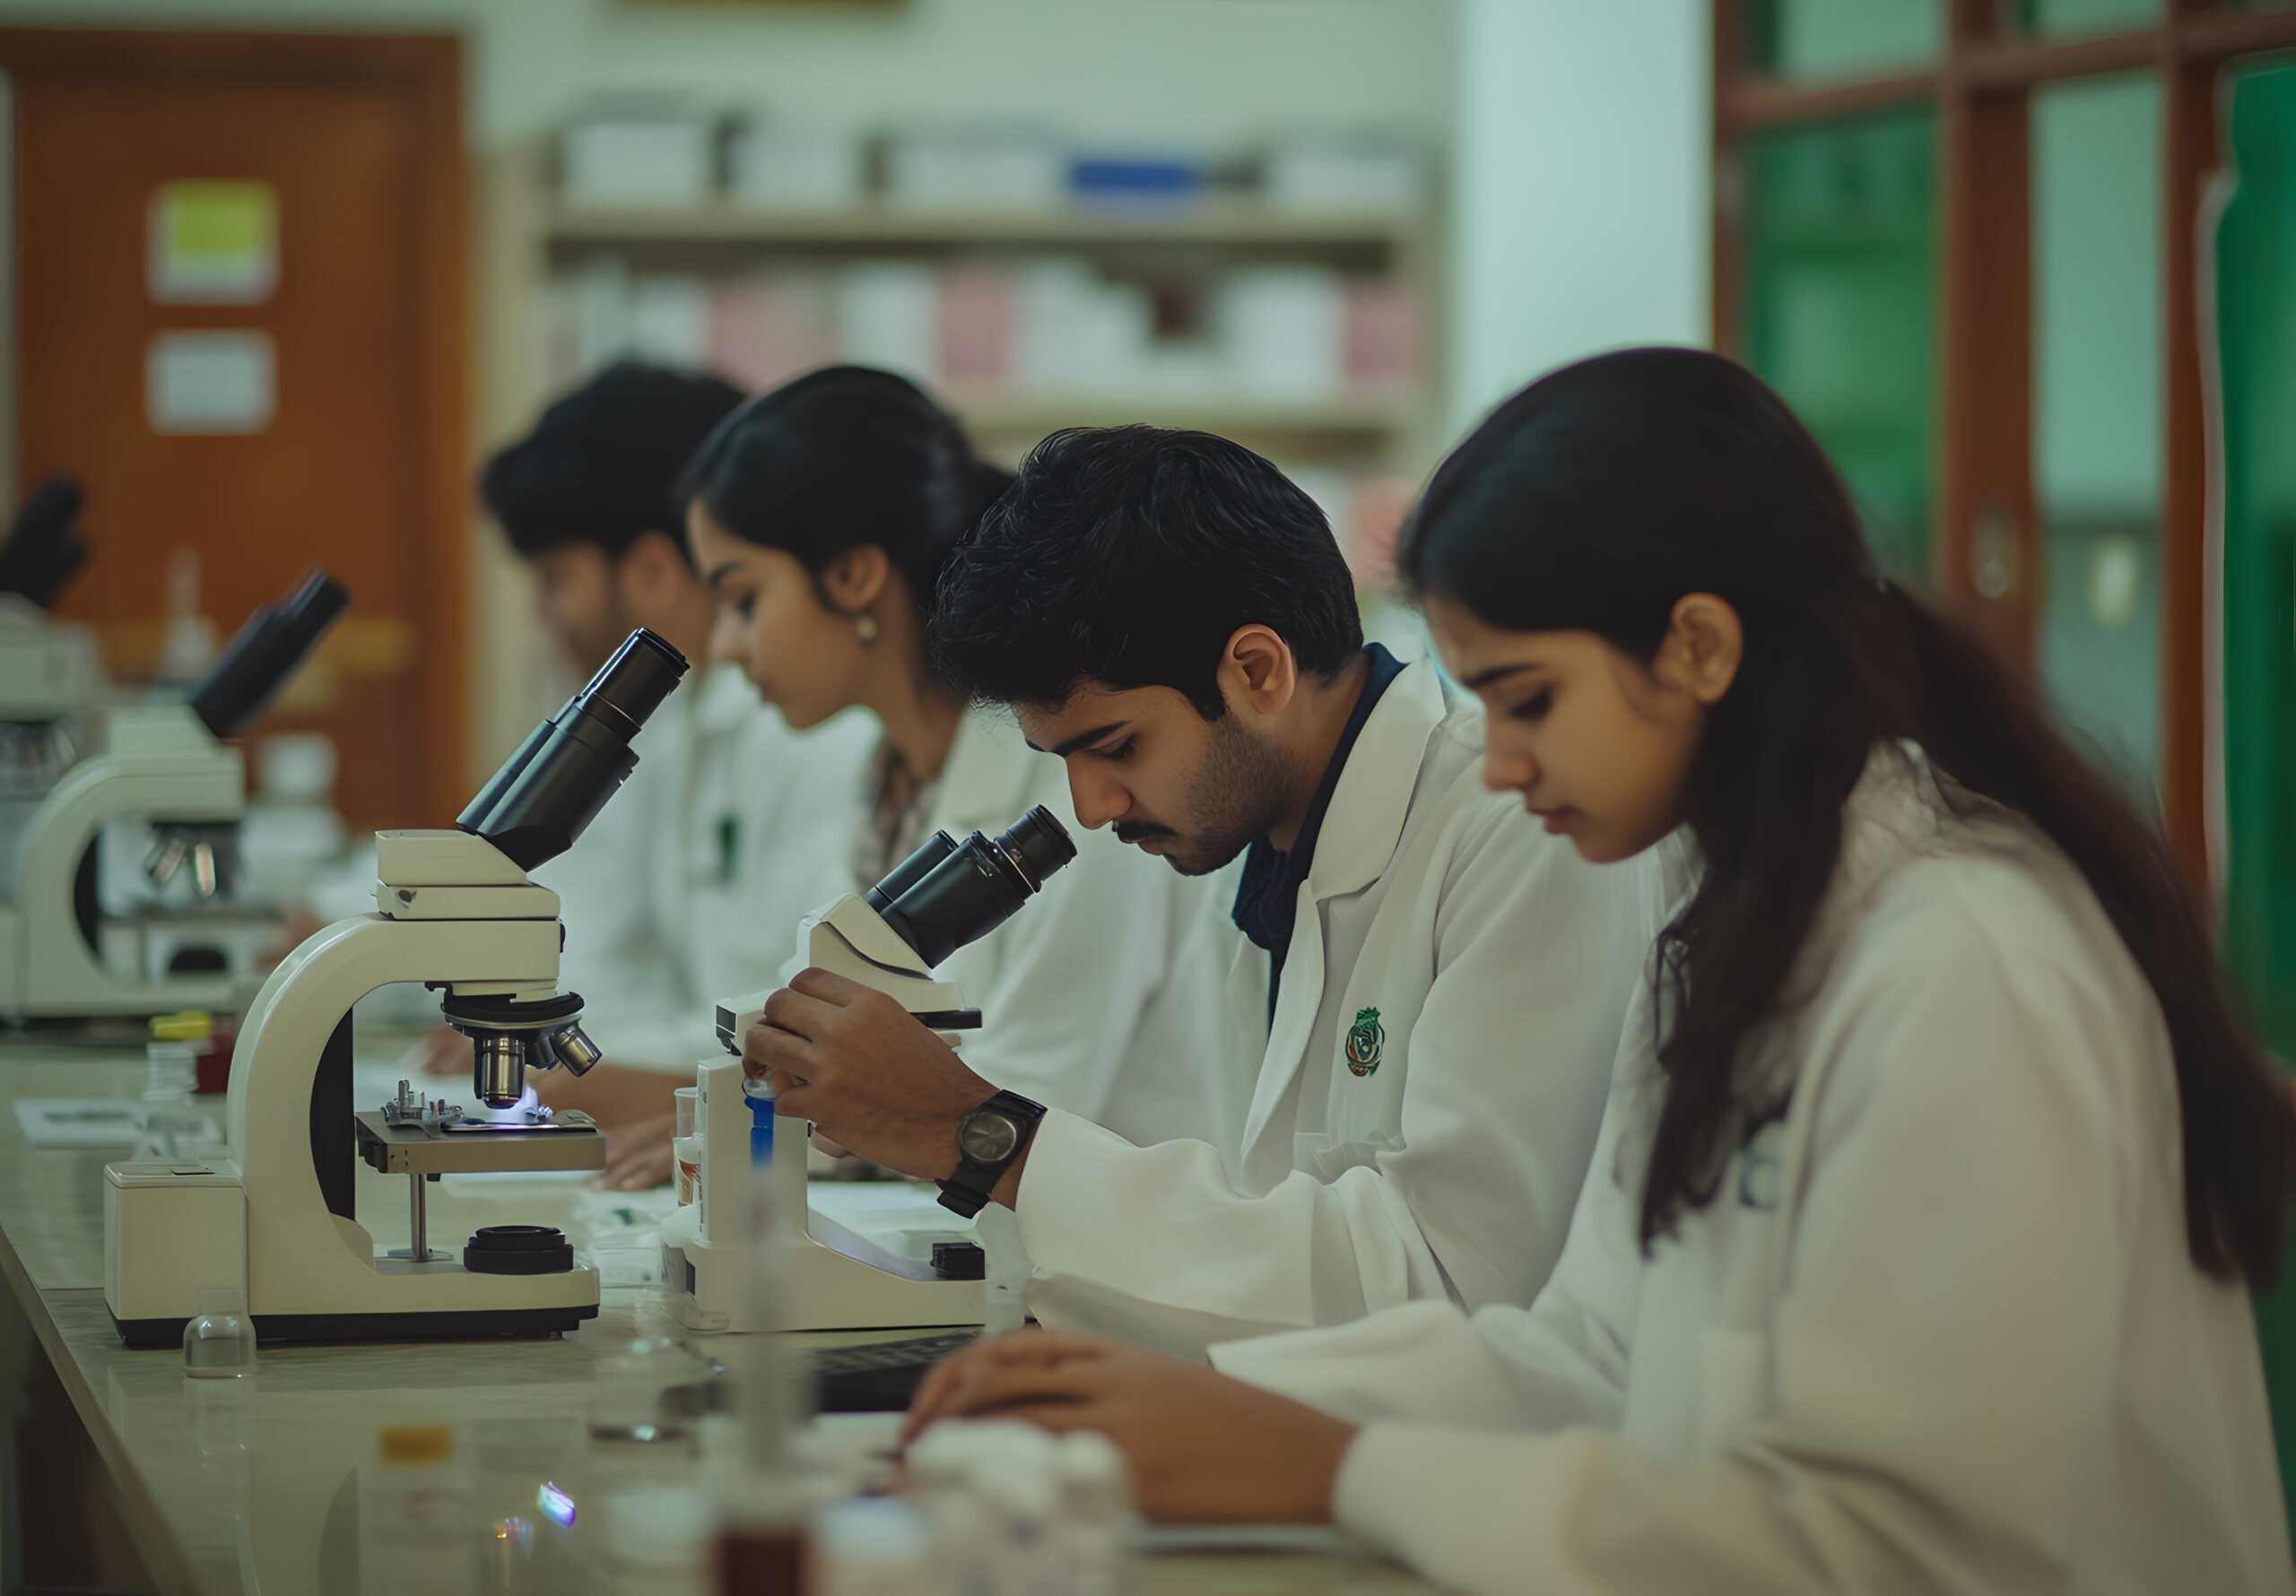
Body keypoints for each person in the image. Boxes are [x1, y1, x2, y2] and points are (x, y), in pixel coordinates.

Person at [900, 348, 2296, 1592]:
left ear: (1698, 648)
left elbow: (1900, 1548)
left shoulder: (1962, 960)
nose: (1501, 765)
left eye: (1530, 701)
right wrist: (1195, 1408)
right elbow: (1588, 1354)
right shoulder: (1731, 934)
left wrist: (1328, 1465)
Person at [742, 421, 1672, 1357]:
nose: (1092, 807)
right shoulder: (1249, 853)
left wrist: (982, 1135)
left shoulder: (1518, 832)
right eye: (1062, 761)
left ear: (1257, 670)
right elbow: (1258, 1229)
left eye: (1116, 747)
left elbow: (1458, 1286)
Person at [680, 367, 1248, 1166]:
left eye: (744, 601)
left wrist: (755, 1134)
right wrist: (726, 1127)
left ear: (853, 575)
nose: (727, 649)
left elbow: (1015, 1106)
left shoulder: (1085, 786)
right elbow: (818, 1041)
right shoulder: (882, 778)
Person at [412, 361, 874, 1189]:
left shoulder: (813, 734)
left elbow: (813, 1029)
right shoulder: (679, 724)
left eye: (556, 580)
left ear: (655, 569)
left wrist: (612, 1079)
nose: (543, 615)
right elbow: (628, 952)